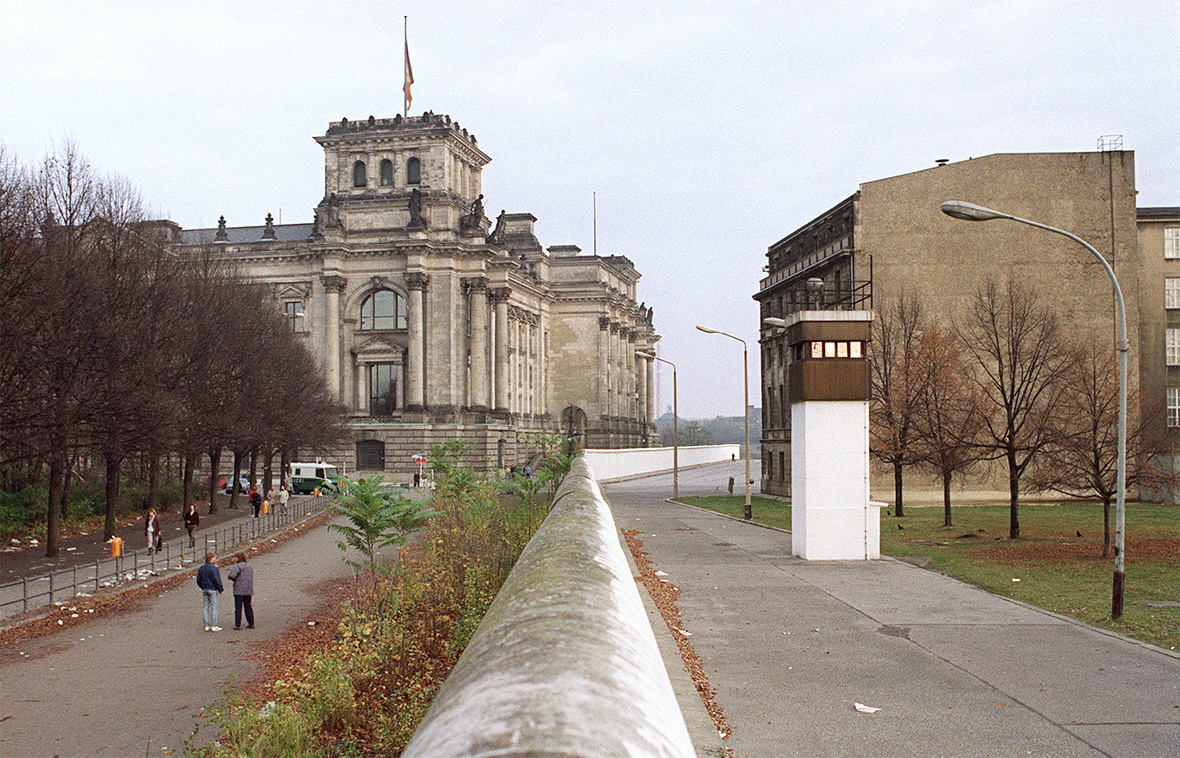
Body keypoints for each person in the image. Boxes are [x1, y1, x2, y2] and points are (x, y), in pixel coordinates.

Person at [227, 552, 255, 630]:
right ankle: (251, 622)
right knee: (248, 606)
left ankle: (237, 624)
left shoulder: (237, 566)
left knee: (238, 608)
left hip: (239, 590)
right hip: (248, 589)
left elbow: (231, 575)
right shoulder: (248, 566)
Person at [196, 552, 223, 632]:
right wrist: (220, 589)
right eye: (214, 558)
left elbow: (198, 580)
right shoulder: (214, 568)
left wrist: (202, 586)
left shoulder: (202, 568)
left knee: (205, 607)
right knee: (214, 606)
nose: (215, 559)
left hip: (205, 589)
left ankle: (206, 625)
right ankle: (214, 625)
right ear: (211, 558)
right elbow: (216, 579)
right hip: (212, 589)